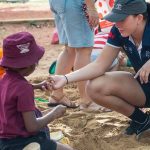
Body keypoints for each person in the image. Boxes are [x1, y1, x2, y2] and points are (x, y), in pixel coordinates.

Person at [48, 0, 150, 137]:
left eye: (122, 19)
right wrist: (65, 78)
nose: (117, 24)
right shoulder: (118, 31)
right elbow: (99, 65)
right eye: (115, 19)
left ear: (139, 18)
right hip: (144, 86)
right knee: (94, 86)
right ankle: (142, 120)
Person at [0, 32, 74, 150]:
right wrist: (54, 113)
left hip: (5, 142)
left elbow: (13, 91)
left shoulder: (4, 79)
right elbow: (32, 126)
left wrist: (35, 86)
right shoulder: (24, 89)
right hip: (24, 142)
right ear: (31, 65)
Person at [48, 0, 99, 109]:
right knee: (84, 49)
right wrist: (91, 6)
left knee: (69, 49)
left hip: (58, 3)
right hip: (75, 3)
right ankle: (86, 100)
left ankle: (57, 95)